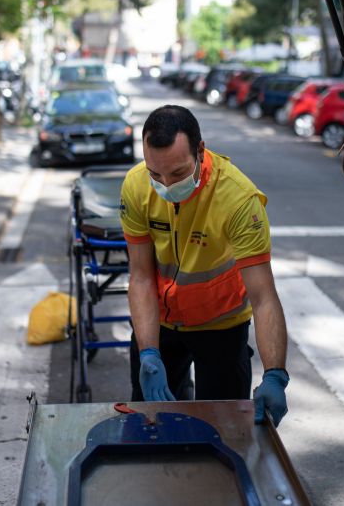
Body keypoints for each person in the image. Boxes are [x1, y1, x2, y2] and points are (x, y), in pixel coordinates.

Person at [119, 104, 289, 426]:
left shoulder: (239, 200)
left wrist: (275, 373)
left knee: (225, 431)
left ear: (200, 150)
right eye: (156, 173)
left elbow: (264, 296)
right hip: (161, 324)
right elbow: (140, 277)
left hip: (221, 327)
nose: (167, 186)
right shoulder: (135, 185)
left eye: (179, 173)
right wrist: (148, 351)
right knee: (152, 426)